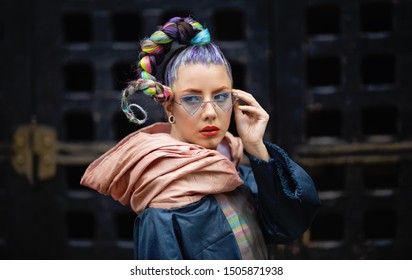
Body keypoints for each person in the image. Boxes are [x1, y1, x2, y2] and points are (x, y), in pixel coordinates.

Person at [80, 16, 321, 260]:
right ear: (169, 107)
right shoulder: (164, 203)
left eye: (220, 97)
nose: (209, 113)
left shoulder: (235, 168)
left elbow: (287, 227)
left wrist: (256, 149)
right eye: (192, 99)